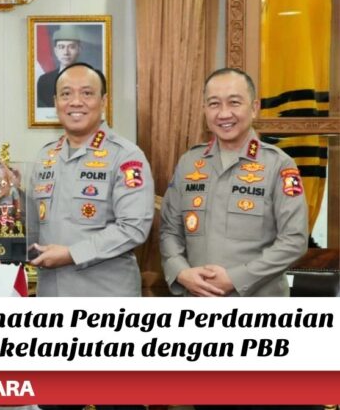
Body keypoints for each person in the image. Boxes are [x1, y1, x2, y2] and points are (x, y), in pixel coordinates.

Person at [160, 68, 308, 297]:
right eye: (214, 104)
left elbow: (294, 241)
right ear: (204, 109)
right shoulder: (189, 162)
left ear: (254, 108)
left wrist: (237, 279)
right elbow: (170, 230)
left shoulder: (279, 164)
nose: (224, 113)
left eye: (234, 103)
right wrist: (180, 271)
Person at [30, 63, 154, 298]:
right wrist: (8, 192)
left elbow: (133, 228)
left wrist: (72, 254)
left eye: (87, 93)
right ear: (56, 102)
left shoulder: (126, 156)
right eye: (66, 94)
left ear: (103, 101)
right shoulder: (46, 156)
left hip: (105, 294)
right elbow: (33, 222)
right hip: (51, 293)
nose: (76, 102)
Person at [36, 25, 87, 108]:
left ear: (79, 49)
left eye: (71, 47)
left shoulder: (92, 78)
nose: (66, 52)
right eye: (61, 47)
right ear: (55, 51)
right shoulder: (44, 80)